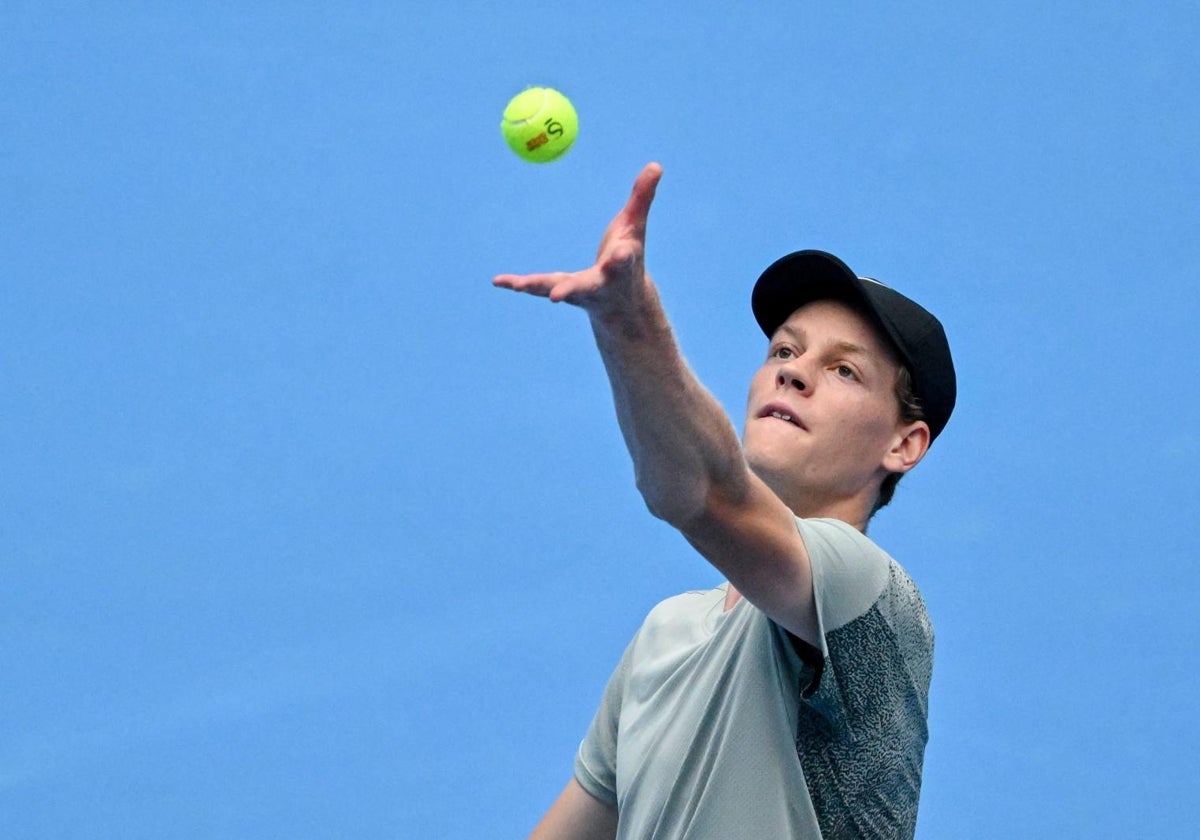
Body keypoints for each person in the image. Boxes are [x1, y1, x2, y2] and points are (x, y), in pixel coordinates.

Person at [494, 162, 956, 840]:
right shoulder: (664, 636)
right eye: (784, 350)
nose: (793, 371)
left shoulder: (868, 597)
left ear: (904, 444)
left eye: (844, 369)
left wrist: (629, 321)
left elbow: (702, 492)